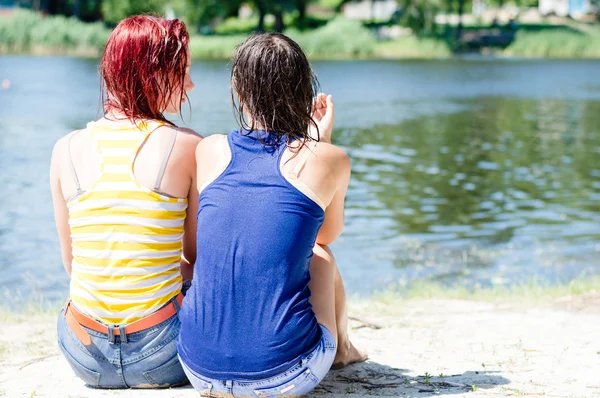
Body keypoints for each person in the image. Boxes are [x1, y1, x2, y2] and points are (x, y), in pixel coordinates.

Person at [177, 32, 367, 397]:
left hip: (198, 370)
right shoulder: (330, 158)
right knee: (322, 257)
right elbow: (325, 235)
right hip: (285, 378)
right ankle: (343, 349)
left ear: (238, 91)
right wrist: (319, 143)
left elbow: (202, 247)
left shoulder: (210, 150)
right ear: (303, 88)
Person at [50, 16, 201, 388]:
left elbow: (73, 263)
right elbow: (198, 260)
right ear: (151, 73)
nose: (191, 85)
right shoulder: (187, 146)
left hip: (84, 354)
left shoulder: (64, 149)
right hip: (163, 352)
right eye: (182, 72)